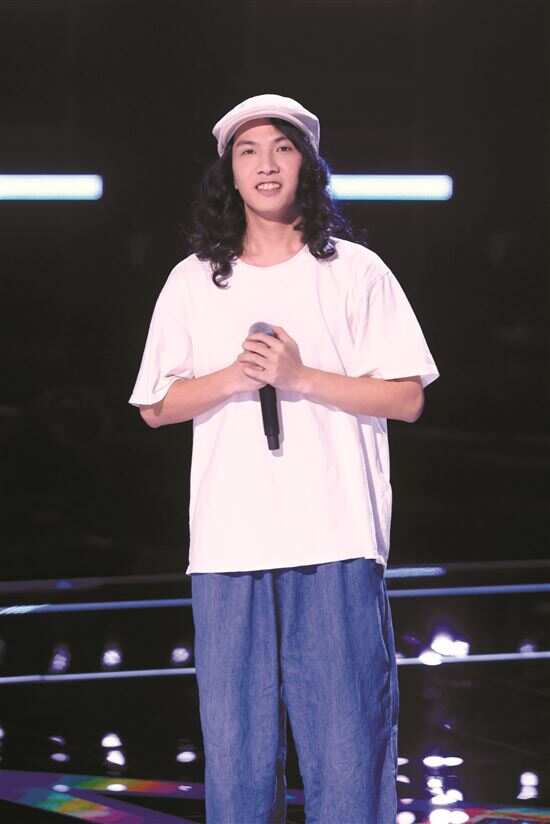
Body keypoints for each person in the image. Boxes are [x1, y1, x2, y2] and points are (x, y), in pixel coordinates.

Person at [129, 93, 439, 824]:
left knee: (348, 748)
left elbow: (407, 397)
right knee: (235, 757)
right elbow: (155, 404)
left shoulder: (356, 271)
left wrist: (299, 379)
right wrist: (234, 377)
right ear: (229, 173)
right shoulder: (194, 280)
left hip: (336, 537)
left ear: (308, 165)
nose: (266, 165)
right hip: (230, 546)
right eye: (248, 151)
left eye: (282, 148)